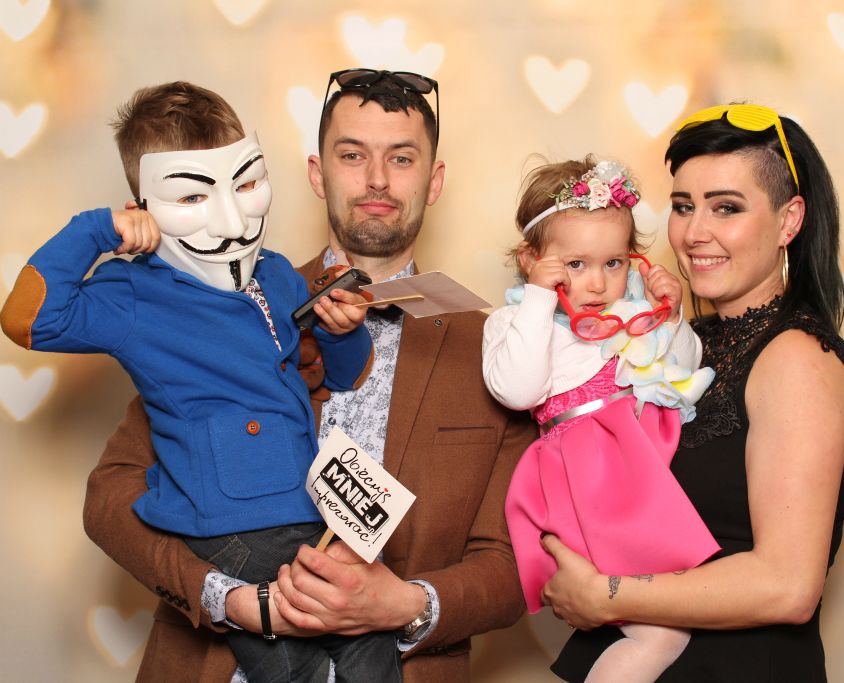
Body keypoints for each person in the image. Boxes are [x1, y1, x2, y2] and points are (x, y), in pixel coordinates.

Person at [80, 70, 534, 683]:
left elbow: (513, 562)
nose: (378, 179)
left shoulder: (500, 347)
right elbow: (112, 495)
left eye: (402, 158)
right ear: (318, 174)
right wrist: (227, 598)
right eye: (353, 155)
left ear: (435, 180)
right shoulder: (226, 300)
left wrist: (405, 605)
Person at [0, 81, 403, 683]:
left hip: (309, 508)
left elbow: (344, 377)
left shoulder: (276, 275)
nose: (231, 218)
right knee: (294, 667)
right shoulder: (134, 292)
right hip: (227, 525)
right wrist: (99, 229)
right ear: (144, 204)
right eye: (192, 196)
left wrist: (342, 330)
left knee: (372, 651)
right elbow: (29, 318)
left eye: (245, 185)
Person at [543, 104, 844, 682]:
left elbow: (787, 585)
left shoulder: (796, 359)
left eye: (726, 207)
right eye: (682, 206)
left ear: (789, 220)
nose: (694, 233)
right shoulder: (687, 341)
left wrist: (607, 595)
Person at [482, 156, 719, 682]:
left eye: (613, 263)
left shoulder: (629, 314)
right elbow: (519, 390)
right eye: (575, 264)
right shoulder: (515, 322)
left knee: (671, 618)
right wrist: (539, 300)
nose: (596, 283)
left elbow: (683, 370)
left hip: (640, 471)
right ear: (531, 260)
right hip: (589, 478)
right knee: (662, 632)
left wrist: (670, 316)